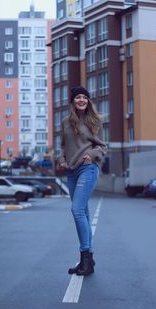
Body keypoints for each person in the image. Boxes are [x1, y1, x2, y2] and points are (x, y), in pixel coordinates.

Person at [57, 86, 107, 276]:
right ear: (72, 101)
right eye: (77, 97)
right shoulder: (65, 122)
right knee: (83, 213)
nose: (81, 100)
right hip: (71, 171)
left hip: (87, 168)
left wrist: (91, 155)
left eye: (84, 97)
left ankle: (85, 256)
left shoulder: (94, 121)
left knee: (77, 210)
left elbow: (102, 147)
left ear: (88, 101)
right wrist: (61, 159)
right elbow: (63, 145)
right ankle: (88, 260)